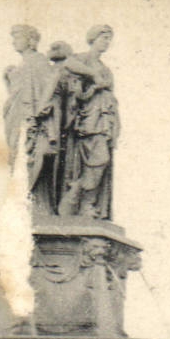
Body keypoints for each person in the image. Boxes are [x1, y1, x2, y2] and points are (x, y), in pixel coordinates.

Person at [56, 25, 120, 219]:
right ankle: (82, 199)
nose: (107, 42)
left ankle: (86, 201)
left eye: (109, 39)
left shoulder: (106, 69)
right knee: (99, 159)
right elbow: (67, 64)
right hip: (88, 120)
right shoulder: (83, 59)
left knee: (101, 161)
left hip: (104, 120)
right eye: (103, 38)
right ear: (93, 39)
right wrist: (93, 76)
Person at [2, 24, 60, 210]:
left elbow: (49, 86)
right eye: (14, 38)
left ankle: (33, 202)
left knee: (31, 157)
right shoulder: (21, 65)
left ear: (31, 40)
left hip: (31, 121)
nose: (14, 42)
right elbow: (16, 94)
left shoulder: (38, 62)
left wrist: (38, 112)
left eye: (18, 37)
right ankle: (23, 200)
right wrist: (8, 78)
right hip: (16, 120)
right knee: (18, 157)